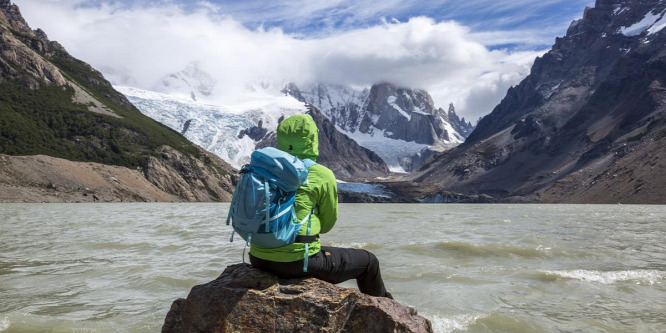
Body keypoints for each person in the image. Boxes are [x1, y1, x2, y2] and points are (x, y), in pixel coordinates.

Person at [249, 114, 392, 298]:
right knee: (369, 262)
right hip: (298, 262)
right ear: (312, 140)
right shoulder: (320, 174)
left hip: (258, 258)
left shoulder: (262, 170)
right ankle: (386, 311)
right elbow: (326, 225)